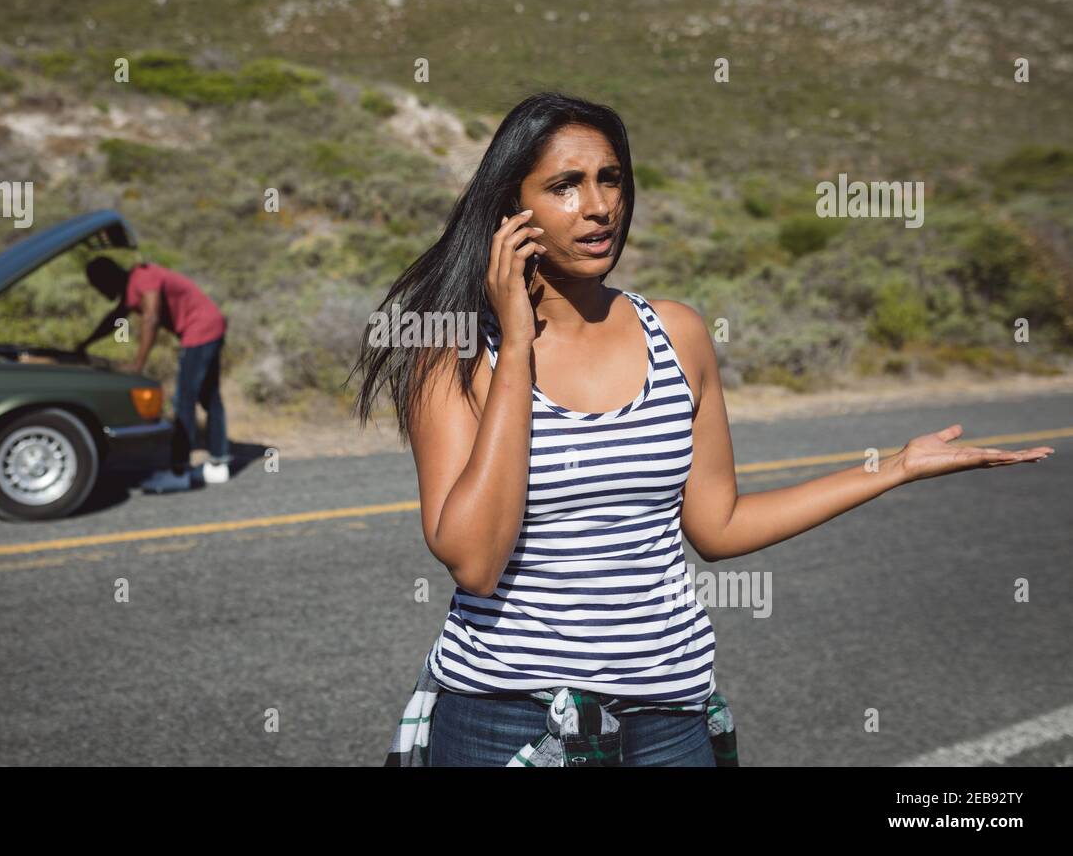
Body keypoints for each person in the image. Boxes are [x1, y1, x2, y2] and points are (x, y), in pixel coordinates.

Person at [351, 91, 1053, 766]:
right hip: (506, 715)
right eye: (565, 185)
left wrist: (893, 467)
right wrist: (516, 344)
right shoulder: (457, 354)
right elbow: (475, 560)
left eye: (611, 179)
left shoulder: (677, 334)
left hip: (669, 715)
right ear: (513, 209)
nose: (598, 206)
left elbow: (718, 527)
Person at [79, 257, 231, 483]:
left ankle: (180, 471)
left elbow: (151, 317)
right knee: (208, 396)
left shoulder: (143, 277)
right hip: (210, 325)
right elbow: (114, 319)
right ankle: (219, 465)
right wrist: (84, 344)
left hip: (200, 329)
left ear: (107, 278)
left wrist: (138, 364)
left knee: (184, 399)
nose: (100, 291)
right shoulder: (132, 287)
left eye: (98, 285)